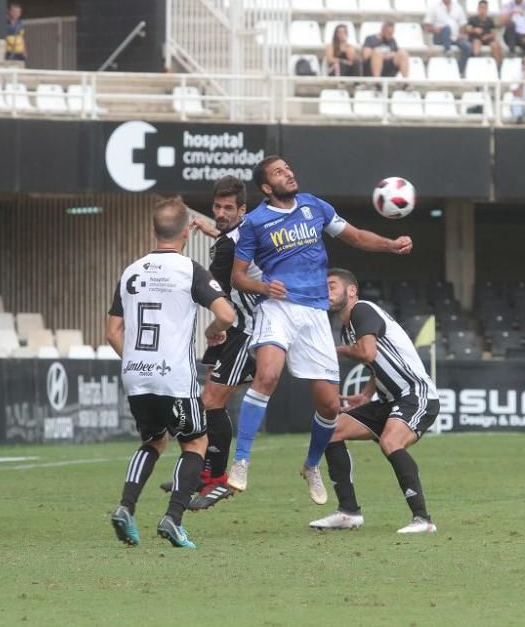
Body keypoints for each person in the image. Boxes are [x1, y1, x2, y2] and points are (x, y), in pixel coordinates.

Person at [226, 156, 413, 504]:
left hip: (314, 313)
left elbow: (355, 237)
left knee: (329, 406)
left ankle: (311, 466)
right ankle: (240, 461)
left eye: (288, 168)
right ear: (266, 187)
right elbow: (237, 276)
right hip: (278, 307)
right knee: (266, 376)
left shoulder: (314, 206)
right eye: (279, 172)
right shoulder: (254, 223)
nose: (289, 173)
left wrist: (390, 244)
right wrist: (264, 289)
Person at [107, 197, 235, 549]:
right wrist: (213, 331)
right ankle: (173, 518)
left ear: (154, 231)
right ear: (185, 232)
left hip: (135, 373)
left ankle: (126, 507)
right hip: (173, 374)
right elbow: (227, 314)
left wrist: (134, 359)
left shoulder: (131, 271)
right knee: (195, 442)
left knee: (153, 440)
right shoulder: (189, 270)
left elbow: (112, 332)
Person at [308, 269, 440, 534]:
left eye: (332, 286)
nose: (327, 292)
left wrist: (336, 351)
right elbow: (375, 361)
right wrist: (367, 394)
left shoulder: (363, 310)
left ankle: (423, 520)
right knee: (331, 433)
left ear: (352, 291)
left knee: (391, 442)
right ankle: (348, 512)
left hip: (416, 393)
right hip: (390, 399)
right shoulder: (348, 330)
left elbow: (367, 351)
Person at [174, 177, 263, 512]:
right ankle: (207, 473)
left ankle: (216, 477)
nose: (221, 213)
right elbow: (230, 239)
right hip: (237, 327)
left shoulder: (228, 247)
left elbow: (217, 296)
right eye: (217, 207)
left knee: (210, 401)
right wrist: (213, 229)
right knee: (208, 401)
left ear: (243, 209)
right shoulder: (235, 235)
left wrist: (215, 328)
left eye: (229, 208)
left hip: (248, 331)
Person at [422, 0, 471, 74]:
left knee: (467, 47)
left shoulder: (458, 8)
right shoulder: (434, 8)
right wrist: (435, 30)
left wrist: (462, 34)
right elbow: (426, 25)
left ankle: (459, 71)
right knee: (446, 28)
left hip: (454, 37)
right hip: (440, 37)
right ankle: (447, 50)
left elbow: (463, 25)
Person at [466, 0, 503, 66]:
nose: (483, 9)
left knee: (496, 45)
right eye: (481, 7)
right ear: (478, 8)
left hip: (487, 39)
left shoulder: (490, 21)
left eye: (484, 8)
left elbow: (493, 33)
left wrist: (488, 36)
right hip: (476, 38)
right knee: (477, 42)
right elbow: (467, 30)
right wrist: (474, 30)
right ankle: (475, 63)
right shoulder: (472, 19)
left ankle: (498, 67)